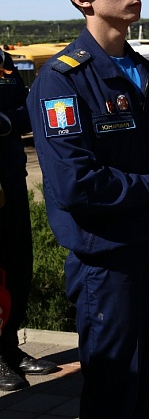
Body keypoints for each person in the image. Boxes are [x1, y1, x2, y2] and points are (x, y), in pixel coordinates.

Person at [27, 0, 149, 417]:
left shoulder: (145, 75)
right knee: (113, 395)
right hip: (109, 267)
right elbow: (75, 184)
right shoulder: (64, 82)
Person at [0, 50, 58, 392]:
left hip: (11, 179)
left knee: (18, 265)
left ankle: (8, 346)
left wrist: (6, 121)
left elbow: (28, 110)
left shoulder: (4, 59)